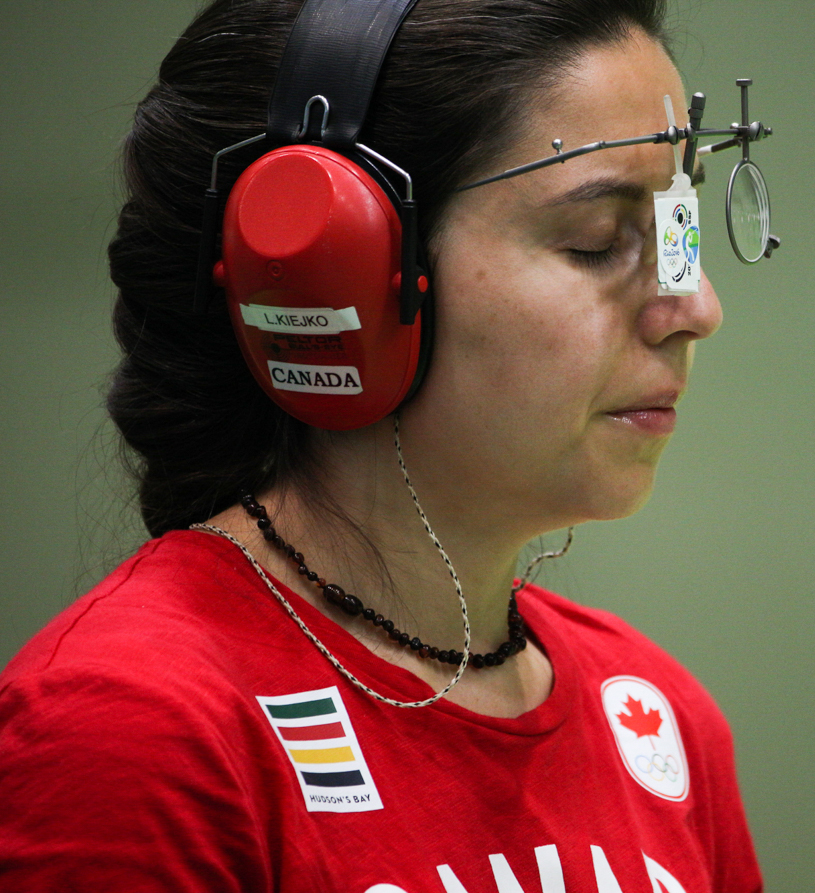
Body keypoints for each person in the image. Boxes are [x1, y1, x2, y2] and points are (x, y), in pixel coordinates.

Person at [0, 1, 765, 890]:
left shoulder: (658, 716)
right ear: (345, 271)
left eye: (678, 229)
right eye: (595, 240)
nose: (695, 307)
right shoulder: (137, 726)